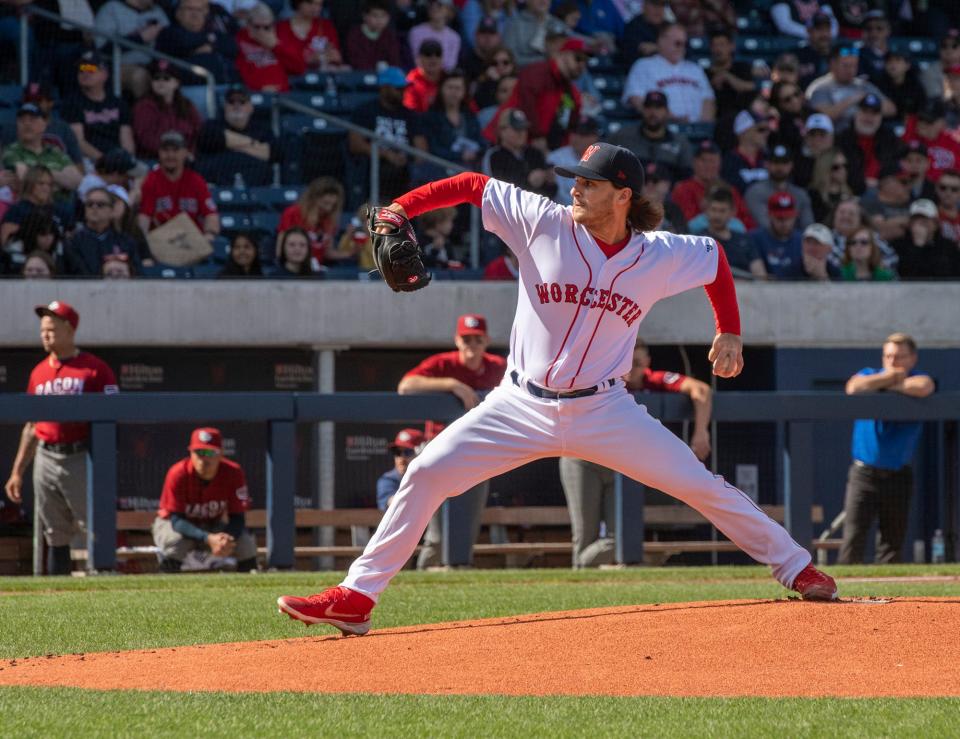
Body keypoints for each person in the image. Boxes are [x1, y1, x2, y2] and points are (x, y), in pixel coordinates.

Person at [276, 142, 838, 634]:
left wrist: (729, 329)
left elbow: (715, 260)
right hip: (518, 403)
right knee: (424, 473)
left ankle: (796, 567)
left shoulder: (657, 254)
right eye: (575, 178)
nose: (574, 188)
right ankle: (356, 598)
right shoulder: (541, 220)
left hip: (605, 408)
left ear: (622, 195)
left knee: (700, 484)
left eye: (588, 182)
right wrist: (402, 207)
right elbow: (472, 185)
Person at [560, 338, 713, 568]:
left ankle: (584, 570)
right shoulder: (604, 378)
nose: (632, 368)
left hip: (620, 465)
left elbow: (701, 389)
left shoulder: (652, 379)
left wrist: (701, 432)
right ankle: (580, 581)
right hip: (583, 460)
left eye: (638, 363)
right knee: (585, 536)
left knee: (617, 536)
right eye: (627, 361)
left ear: (647, 363)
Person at [4, 301, 118, 575]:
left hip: (81, 455)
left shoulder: (94, 369)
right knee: (54, 530)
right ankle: (58, 587)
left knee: (92, 524)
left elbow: (114, 417)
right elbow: (31, 426)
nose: (45, 334)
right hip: (46, 454)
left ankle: (101, 583)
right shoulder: (38, 372)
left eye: (52, 329)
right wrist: (17, 472)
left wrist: (102, 463)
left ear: (70, 329)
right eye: (43, 329)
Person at [396, 314, 507, 569]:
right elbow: (406, 386)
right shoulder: (443, 364)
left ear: (486, 341)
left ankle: (459, 569)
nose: (472, 345)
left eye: (477, 339)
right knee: (436, 532)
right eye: (466, 339)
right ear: (457, 340)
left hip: (477, 451)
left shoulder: (496, 365)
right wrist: (452, 384)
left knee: (468, 523)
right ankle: (424, 576)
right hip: (439, 450)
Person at [839, 334, 935, 564]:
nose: (893, 361)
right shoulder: (870, 374)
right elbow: (853, 387)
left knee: (892, 543)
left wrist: (893, 383)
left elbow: (924, 387)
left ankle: (889, 597)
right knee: (853, 539)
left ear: (912, 358)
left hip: (898, 474)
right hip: (864, 473)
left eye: (900, 356)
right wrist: (889, 378)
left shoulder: (918, 378)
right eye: (889, 356)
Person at [153, 427, 257, 573]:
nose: (204, 459)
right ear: (191, 453)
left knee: (245, 543)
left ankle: (249, 589)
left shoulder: (233, 472)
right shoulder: (178, 473)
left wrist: (224, 539)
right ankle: (165, 588)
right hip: (174, 524)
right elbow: (177, 521)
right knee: (175, 542)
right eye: (199, 452)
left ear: (220, 453)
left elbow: (238, 517)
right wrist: (208, 538)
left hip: (212, 524)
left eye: (210, 452)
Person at [484, 37, 590, 151]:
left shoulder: (569, 90)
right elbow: (526, 107)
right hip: (504, 145)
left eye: (585, 61)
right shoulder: (537, 73)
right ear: (562, 54)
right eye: (578, 58)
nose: (582, 65)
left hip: (533, 151)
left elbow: (568, 123)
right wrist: (538, 137)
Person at [622, 23, 715, 123]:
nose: (682, 48)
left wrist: (703, 127)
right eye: (677, 43)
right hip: (661, 128)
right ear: (662, 41)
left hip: (696, 129)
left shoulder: (695, 69)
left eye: (685, 44)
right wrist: (667, 118)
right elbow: (635, 98)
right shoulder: (643, 65)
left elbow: (708, 100)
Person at [350, 67, 417, 202]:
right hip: (375, 168)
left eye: (404, 89)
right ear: (384, 88)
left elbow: (421, 147)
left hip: (404, 170)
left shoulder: (410, 115)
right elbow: (355, 143)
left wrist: (407, 156)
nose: (402, 93)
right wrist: (385, 154)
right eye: (398, 89)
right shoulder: (366, 110)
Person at [137, 131, 220, 239]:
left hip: (192, 242)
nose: (170, 155)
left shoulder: (196, 180)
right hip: (163, 242)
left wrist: (209, 234)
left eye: (175, 150)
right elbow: (144, 217)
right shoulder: (151, 180)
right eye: (165, 150)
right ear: (159, 152)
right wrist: (143, 242)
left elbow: (211, 214)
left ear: (185, 153)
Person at [61, 51, 136, 165]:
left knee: (142, 172)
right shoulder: (71, 103)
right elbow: (78, 142)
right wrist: (105, 161)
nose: (85, 73)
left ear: (104, 74)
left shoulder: (118, 103)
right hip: (89, 161)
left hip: (118, 159)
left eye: (90, 69)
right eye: (81, 69)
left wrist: (125, 160)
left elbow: (127, 142)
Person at [195, 84, 276, 187]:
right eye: (231, 101)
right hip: (217, 187)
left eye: (242, 102)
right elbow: (212, 136)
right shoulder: (212, 125)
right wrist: (253, 144)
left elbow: (270, 153)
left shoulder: (263, 130)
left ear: (251, 107)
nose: (236, 106)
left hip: (257, 188)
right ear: (224, 106)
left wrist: (229, 144)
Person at [606, 91, 693, 182]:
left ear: (667, 112)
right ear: (643, 110)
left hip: (668, 194)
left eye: (658, 108)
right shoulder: (622, 136)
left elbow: (686, 178)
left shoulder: (680, 142)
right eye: (648, 107)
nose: (653, 112)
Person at [93, 0, 170, 98]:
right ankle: (145, 111)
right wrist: (139, 38)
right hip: (115, 66)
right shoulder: (111, 8)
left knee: (172, 76)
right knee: (139, 76)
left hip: (153, 65)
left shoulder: (157, 11)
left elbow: (171, 41)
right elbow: (102, 49)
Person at [2, 103, 82, 196]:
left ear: (44, 125)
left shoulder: (55, 151)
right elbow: (23, 177)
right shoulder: (11, 151)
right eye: (22, 120)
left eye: (32, 120)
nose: (27, 123)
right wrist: (61, 181)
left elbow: (77, 181)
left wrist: (39, 175)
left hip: (61, 207)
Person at [806, 45, 893, 130]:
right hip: (835, 136)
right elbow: (824, 117)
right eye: (846, 66)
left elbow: (891, 109)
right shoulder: (820, 87)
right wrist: (852, 100)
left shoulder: (863, 85)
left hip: (862, 134)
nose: (850, 70)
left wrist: (868, 106)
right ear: (832, 64)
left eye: (854, 66)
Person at [671, 140, 754, 229]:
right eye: (703, 160)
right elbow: (686, 225)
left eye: (713, 160)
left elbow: (747, 223)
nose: (708, 165)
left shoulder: (730, 190)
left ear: (720, 163)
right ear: (694, 162)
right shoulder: (683, 189)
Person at [132, 59, 203, 159]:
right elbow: (146, 139)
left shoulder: (186, 105)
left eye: (166, 78)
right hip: (156, 159)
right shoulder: (144, 106)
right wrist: (174, 154)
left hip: (188, 158)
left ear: (176, 83)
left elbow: (198, 131)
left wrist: (189, 152)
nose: (161, 81)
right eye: (156, 78)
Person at [155, 0, 239, 85]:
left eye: (199, 10)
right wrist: (210, 40)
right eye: (189, 9)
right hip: (189, 88)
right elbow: (184, 43)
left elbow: (233, 45)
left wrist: (212, 47)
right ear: (178, 13)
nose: (195, 14)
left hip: (225, 86)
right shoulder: (168, 32)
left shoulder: (213, 32)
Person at [64, 186, 141, 276]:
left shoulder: (126, 241)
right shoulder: (73, 242)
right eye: (90, 204)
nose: (94, 207)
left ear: (112, 210)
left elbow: (137, 274)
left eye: (100, 204)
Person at [481, 108, 556, 199]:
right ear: (502, 131)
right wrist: (529, 181)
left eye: (524, 129)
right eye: (517, 129)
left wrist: (550, 181)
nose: (522, 133)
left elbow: (551, 192)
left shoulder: (534, 153)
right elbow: (498, 191)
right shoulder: (494, 156)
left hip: (537, 210)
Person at [236, 3, 307, 93]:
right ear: (248, 25)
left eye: (266, 27)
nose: (261, 32)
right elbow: (240, 71)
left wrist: (275, 46)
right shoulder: (240, 39)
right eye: (257, 27)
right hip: (251, 94)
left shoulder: (281, 38)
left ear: (273, 26)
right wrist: (258, 87)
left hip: (282, 95)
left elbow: (299, 68)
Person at [836, 93, 900, 193]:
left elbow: (893, 168)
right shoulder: (842, 139)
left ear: (880, 117)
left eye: (874, 113)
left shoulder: (890, 139)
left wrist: (881, 184)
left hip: (884, 194)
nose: (869, 117)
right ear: (856, 113)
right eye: (865, 111)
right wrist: (862, 183)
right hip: (849, 192)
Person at [698, 185, 765, 278]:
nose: (717, 215)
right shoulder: (698, 241)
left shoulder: (745, 240)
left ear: (732, 212)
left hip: (747, 289)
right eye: (713, 210)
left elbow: (760, 274)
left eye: (722, 211)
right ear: (706, 211)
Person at [744, 145, 814, 231]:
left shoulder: (800, 194)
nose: (780, 167)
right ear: (766, 164)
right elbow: (765, 224)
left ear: (791, 165)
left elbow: (808, 227)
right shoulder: (755, 192)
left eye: (784, 163)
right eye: (775, 162)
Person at [277, 176, 343, 266]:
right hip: (295, 267)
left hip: (317, 269)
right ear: (314, 198)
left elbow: (327, 253)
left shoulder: (329, 220)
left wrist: (351, 253)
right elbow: (281, 248)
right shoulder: (293, 213)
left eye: (332, 205)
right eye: (325, 203)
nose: (328, 209)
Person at [891, 198, 960, 279]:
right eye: (916, 220)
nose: (920, 224)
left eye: (925, 220)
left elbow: (949, 275)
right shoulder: (899, 245)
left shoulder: (948, 247)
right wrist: (917, 247)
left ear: (935, 223)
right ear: (910, 224)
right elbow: (904, 274)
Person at [276, 0, 344, 72]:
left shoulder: (326, 26)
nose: (316, 8)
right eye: (310, 3)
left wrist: (322, 57)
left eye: (319, 4)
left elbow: (336, 57)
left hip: (320, 77)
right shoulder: (281, 28)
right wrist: (308, 59)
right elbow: (279, 59)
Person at [548, 116, 600, 206]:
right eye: (574, 133)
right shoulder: (555, 158)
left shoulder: (603, 160)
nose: (576, 138)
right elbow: (558, 196)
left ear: (594, 137)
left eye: (582, 135)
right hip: (562, 212)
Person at [750, 192, 804, 279]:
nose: (784, 223)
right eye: (779, 218)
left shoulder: (802, 240)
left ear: (795, 216)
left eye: (788, 218)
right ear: (770, 216)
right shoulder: (755, 238)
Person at [721, 110, 772, 195]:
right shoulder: (729, 162)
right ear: (744, 132)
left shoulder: (769, 158)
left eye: (767, 129)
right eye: (761, 130)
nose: (767, 133)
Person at [501, 0, 566, 68]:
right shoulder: (514, 23)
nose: (543, 1)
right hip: (524, 74)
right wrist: (545, 60)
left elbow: (576, 41)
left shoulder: (556, 23)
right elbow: (509, 59)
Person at [344, 0, 402, 70]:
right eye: (375, 15)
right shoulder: (354, 35)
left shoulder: (389, 36)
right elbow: (354, 60)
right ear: (365, 16)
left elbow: (395, 62)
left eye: (383, 16)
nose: (379, 20)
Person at [376, 429, 425, 512]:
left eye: (408, 452)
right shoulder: (388, 480)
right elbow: (394, 502)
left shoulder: (431, 477)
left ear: (420, 454)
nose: (401, 458)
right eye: (397, 452)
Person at [408, 0, 461, 72]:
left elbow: (450, 65)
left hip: (444, 78)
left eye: (439, 5)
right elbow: (417, 60)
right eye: (431, 5)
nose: (434, 8)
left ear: (448, 10)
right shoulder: (415, 32)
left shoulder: (455, 37)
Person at [619, 0, 666, 66]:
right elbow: (642, 50)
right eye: (654, 5)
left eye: (662, 5)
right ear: (644, 6)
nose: (658, 9)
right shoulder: (633, 27)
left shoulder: (668, 27)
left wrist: (657, 48)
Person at [404, 39, 446, 113]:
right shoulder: (411, 81)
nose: (433, 59)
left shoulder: (448, 79)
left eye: (438, 54)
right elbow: (410, 112)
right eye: (428, 54)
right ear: (419, 59)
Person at [920, 28, 960, 100]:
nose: (949, 50)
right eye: (944, 46)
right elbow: (937, 100)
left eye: (954, 46)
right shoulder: (930, 72)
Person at [935, 169, 960, 245]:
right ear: (936, 189)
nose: (948, 193)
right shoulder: (929, 216)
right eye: (943, 187)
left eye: (954, 189)